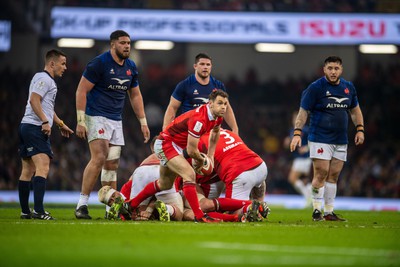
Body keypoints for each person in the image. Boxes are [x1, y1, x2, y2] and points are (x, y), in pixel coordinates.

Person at [74, 30, 150, 219]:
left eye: (129, 43)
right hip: (96, 116)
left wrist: (143, 122)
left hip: (116, 120)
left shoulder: (131, 66)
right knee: (99, 157)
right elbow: (81, 91)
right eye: (123, 43)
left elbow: (135, 95)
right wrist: (81, 121)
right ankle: (82, 205)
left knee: (112, 164)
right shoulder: (99, 63)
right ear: (113, 45)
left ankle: (111, 209)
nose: (127, 46)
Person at [123, 89, 229, 223]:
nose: (224, 107)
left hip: (175, 146)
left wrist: (211, 156)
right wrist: (203, 160)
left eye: (225, 103)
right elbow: (191, 151)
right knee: (189, 175)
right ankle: (199, 216)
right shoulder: (200, 119)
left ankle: (130, 205)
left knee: (165, 184)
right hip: (165, 143)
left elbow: (215, 133)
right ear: (210, 104)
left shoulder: (217, 117)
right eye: (220, 103)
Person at [290, 55, 365, 222]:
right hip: (320, 137)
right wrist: (297, 134)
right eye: (330, 68)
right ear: (324, 69)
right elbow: (303, 112)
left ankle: (329, 212)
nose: (333, 71)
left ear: (341, 70)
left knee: (334, 175)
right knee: (321, 172)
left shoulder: (348, 88)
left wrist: (360, 130)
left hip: (341, 139)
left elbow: (355, 110)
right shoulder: (315, 88)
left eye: (336, 68)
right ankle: (317, 210)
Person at [18, 49, 73, 220]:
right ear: (52, 63)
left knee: (27, 170)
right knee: (43, 167)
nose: (65, 67)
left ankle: (26, 211)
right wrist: (44, 121)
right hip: (35, 127)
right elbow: (34, 100)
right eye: (63, 63)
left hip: (26, 126)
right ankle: (39, 211)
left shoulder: (41, 78)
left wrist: (60, 123)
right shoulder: (44, 79)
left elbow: (47, 107)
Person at [197, 128, 270, 221]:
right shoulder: (227, 132)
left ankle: (249, 208)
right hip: (260, 166)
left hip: (240, 173)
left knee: (232, 213)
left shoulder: (200, 142)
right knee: (257, 178)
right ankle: (260, 205)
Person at [162, 53, 239, 134]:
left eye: (208, 65)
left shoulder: (218, 85)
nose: (205, 67)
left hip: (211, 132)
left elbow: (226, 108)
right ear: (195, 66)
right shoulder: (184, 85)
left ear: (211, 67)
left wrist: (235, 128)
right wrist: (165, 131)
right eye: (202, 64)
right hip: (189, 131)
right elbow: (172, 108)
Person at [284, 111, 312, 207]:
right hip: (298, 158)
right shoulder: (292, 131)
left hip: (304, 158)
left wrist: (306, 148)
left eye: (297, 119)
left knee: (292, 179)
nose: (295, 121)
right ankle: (309, 197)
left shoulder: (306, 130)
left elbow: (313, 141)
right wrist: (287, 143)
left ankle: (308, 197)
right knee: (305, 180)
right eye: (293, 119)